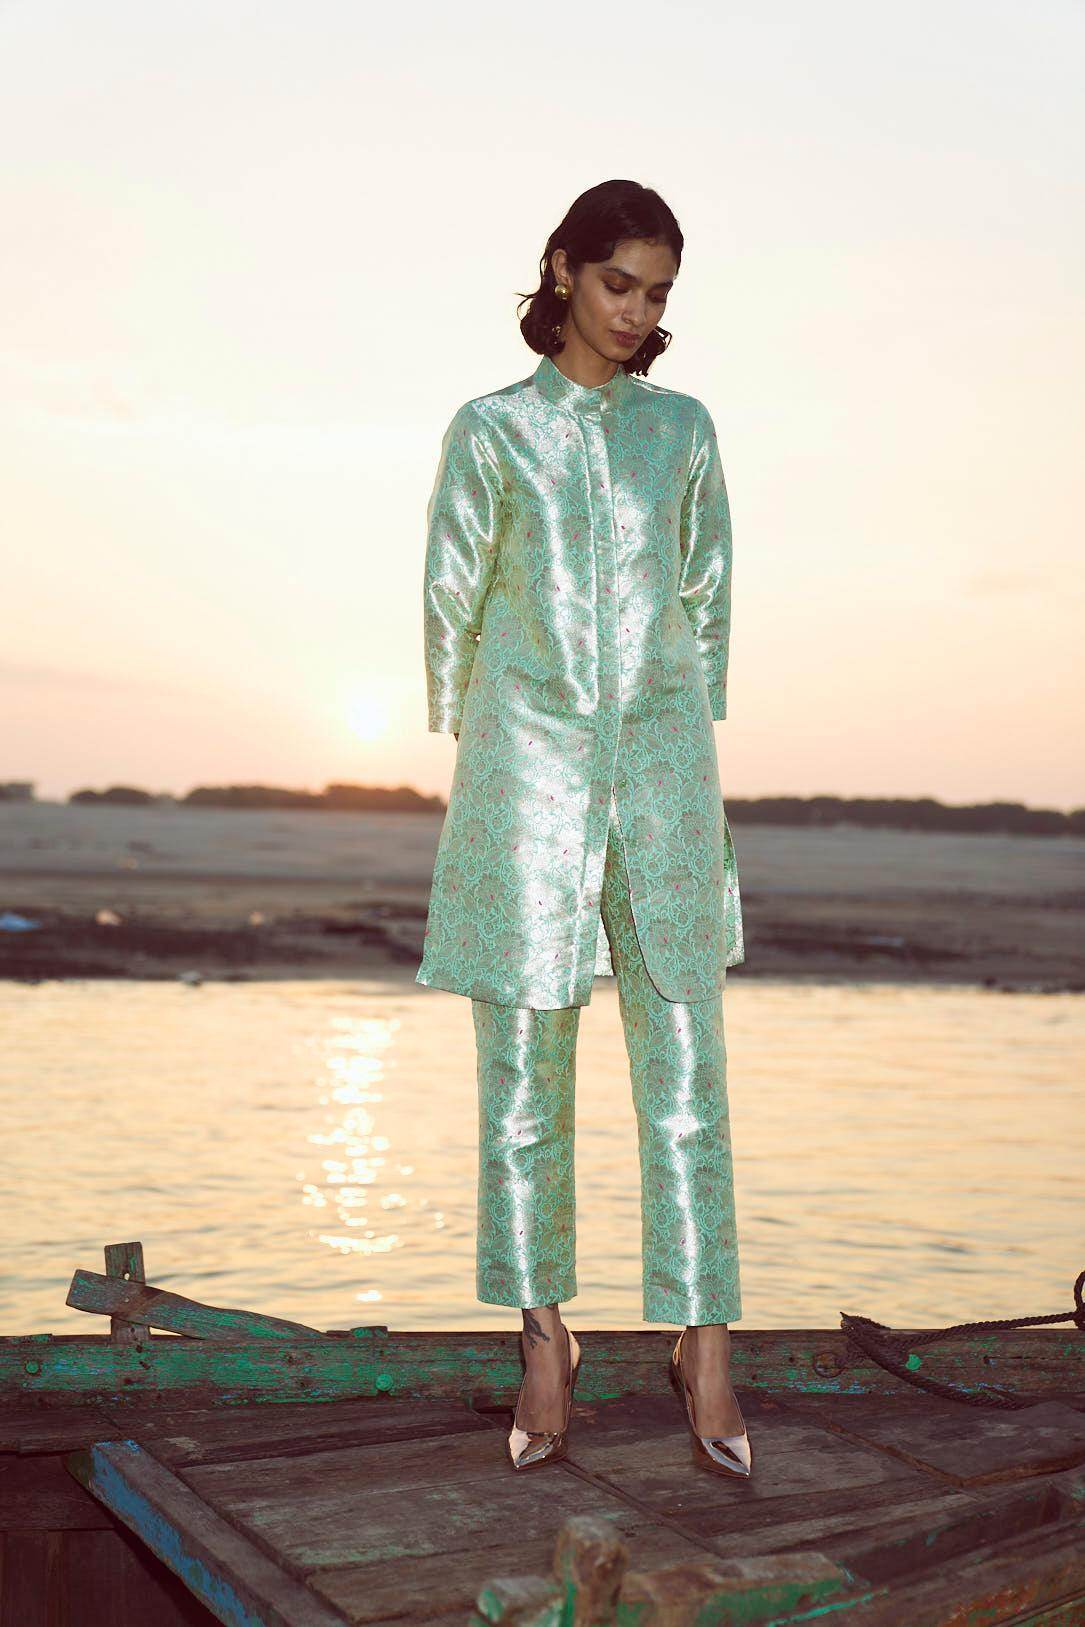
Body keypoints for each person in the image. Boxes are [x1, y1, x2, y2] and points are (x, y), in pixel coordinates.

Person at [417, 178, 750, 1478]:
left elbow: (706, 598)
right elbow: (453, 604)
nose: (636, 311)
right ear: (563, 270)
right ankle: (543, 1336)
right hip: (527, 783)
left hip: (664, 776)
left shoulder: (683, 431)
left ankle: (703, 1343)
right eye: (618, 283)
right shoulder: (491, 432)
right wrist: (499, 754)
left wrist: (674, 732)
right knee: (523, 1082)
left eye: (657, 293)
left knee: (687, 1075)